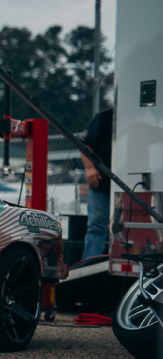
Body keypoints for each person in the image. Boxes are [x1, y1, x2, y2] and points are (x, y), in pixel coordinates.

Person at [80, 107, 113, 260]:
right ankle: (90, 263)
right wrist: (89, 169)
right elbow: (84, 145)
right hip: (102, 183)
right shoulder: (105, 117)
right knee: (97, 226)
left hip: (132, 185)